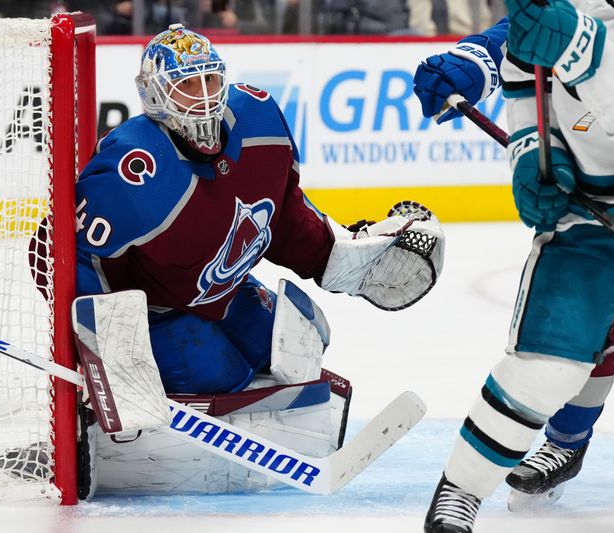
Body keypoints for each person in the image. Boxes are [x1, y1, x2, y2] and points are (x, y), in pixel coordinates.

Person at [70, 23, 444, 496]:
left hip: (223, 291)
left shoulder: (260, 118)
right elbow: (74, 258)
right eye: (187, 86)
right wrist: (109, 357)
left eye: (209, 80)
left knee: (306, 342)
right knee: (221, 372)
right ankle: (136, 446)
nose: (203, 99)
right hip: (155, 313)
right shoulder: (135, 169)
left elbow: (285, 214)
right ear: (155, 97)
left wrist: (346, 258)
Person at [412, 0, 614, 530]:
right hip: (596, 214)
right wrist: (534, 159)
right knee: (549, 361)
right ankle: (465, 490)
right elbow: (528, 94)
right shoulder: (549, 11)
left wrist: (585, 53)